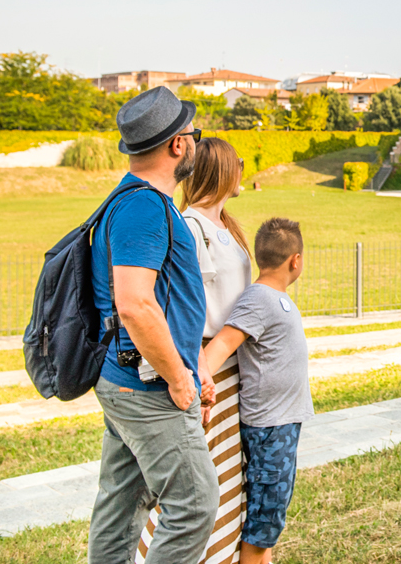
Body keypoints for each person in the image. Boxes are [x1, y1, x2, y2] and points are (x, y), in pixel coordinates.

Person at [87, 87, 219, 564]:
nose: (195, 144)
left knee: (122, 507)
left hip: (129, 381)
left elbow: (166, 300)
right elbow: (136, 306)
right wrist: (178, 378)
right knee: (196, 503)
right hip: (146, 389)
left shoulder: (138, 202)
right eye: (193, 136)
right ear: (178, 145)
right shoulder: (144, 208)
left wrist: (194, 365)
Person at [135, 137, 253, 563]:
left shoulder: (225, 226)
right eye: (238, 162)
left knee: (224, 473)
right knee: (196, 481)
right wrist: (191, 371)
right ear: (222, 170)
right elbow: (179, 308)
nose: (243, 169)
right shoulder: (189, 227)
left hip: (230, 367)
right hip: (207, 366)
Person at [203, 218, 314, 564]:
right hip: (269, 431)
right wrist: (199, 384)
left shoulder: (273, 299)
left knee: (269, 521)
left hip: (281, 426)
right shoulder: (260, 299)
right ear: (295, 260)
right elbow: (222, 344)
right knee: (262, 523)